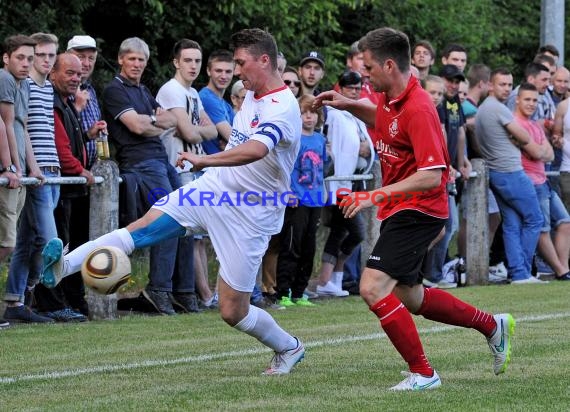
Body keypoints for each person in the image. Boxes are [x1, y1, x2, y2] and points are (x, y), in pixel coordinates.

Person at [41, 28, 305, 375]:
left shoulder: (282, 107)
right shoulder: (256, 93)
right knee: (141, 228)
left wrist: (204, 160)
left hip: (251, 212)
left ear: (264, 60)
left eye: (241, 63)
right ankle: (63, 267)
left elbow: (256, 149)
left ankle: (289, 347)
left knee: (232, 310)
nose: (237, 72)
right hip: (214, 190)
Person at [314, 27, 514, 390]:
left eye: (370, 67)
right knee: (412, 296)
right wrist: (349, 104)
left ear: (390, 65)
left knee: (372, 288)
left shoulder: (419, 107)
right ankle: (491, 324)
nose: (365, 75)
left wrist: (372, 196)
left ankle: (424, 373)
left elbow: (432, 176)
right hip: (401, 207)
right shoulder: (390, 98)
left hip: (419, 209)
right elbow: (384, 122)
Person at [100, 37, 181, 315]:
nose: (136, 64)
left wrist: (151, 121)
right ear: (121, 59)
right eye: (132, 59)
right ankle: (158, 290)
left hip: (162, 160)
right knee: (170, 220)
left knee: (184, 221)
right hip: (140, 162)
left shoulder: (144, 90)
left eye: (141, 60)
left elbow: (172, 121)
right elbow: (135, 125)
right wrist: (152, 121)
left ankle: (172, 290)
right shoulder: (114, 90)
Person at [5, 33, 76, 323]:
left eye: (50, 56)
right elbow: (22, 131)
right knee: (50, 241)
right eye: (40, 56)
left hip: (51, 171)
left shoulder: (47, 88)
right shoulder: (25, 87)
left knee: (27, 242)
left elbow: (46, 130)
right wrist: (29, 167)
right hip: (35, 172)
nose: (45, 61)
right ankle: (36, 284)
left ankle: (15, 300)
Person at [155, 38, 219, 313]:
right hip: (176, 165)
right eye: (188, 60)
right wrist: (199, 130)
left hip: (193, 167)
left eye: (197, 61)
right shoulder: (171, 91)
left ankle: (189, 292)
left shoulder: (192, 94)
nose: (193, 66)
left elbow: (212, 131)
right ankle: (174, 291)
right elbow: (193, 132)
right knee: (178, 229)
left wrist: (199, 131)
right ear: (176, 62)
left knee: (195, 233)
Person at [475, 68, 546, 284]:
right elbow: (524, 137)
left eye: (509, 84)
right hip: (511, 172)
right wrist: (516, 139)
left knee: (512, 224)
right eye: (502, 84)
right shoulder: (498, 108)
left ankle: (518, 274)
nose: (506, 89)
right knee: (535, 219)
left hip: (497, 173)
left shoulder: (483, 109)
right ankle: (522, 270)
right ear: (490, 85)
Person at [1, 34, 50, 324]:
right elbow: (3, 123)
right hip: (7, 173)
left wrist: (33, 168)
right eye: (20, 57)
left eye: (30, 59)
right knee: (7, 243)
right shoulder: (4, 79)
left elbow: (23, 128)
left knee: (12, 240)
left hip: (18, 174)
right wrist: (10, 166)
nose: (26, 63)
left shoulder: (24, 85)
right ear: (6, 58)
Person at [315, 71, 369, 297]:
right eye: (350, 88)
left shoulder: (355, 114)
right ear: (341, 88)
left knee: (339, 231)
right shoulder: (335, 114)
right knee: (357, 231)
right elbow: (336, 145)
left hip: (355, 181)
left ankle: (330, 280)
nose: (354, 92)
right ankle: (329, 278)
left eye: (358, 88)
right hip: (339, 183)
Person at [515, 83, 570, 281]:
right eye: (527, 99)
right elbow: (539, 152)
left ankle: (562, 267)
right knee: (542, 228)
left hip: (543, 180)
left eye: (535, 100)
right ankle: (561, 271)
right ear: (518, 100)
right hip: (531, 182)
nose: (531, 104)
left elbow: (547, 154)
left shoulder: (535, 125)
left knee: (565, 222)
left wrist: (540, 151)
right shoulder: (515, 123)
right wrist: (539, 151)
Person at [275, 94, 326, 307]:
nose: (309, 117)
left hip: (315, 200)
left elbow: (322, 168)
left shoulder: (321, 139)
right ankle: (283, 292)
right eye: (304, 112)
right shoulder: (294, 139)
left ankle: (299, 291)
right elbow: (284, 167)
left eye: (313, 112)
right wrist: (288, 192)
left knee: (309, 248)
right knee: (291, 246)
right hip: (298, 200)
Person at [66, 35, 106, 170]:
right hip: (70, 170)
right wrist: (76, 107)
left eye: (91, 58)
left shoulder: (91, 90)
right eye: (81, 57)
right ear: (67, 57)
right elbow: (62, 137)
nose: (87, 64)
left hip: (92, 169)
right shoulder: (59, 89)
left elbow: (92, 135)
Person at [199, 49, 235, 154]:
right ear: (209, 71)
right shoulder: (206, 98)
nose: (224, 76)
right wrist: (231, 146)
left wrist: (230, 146)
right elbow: (234, 139)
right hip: (209, 167)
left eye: (228, 72)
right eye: (218, 71)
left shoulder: (226, 105)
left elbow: (238, 136)